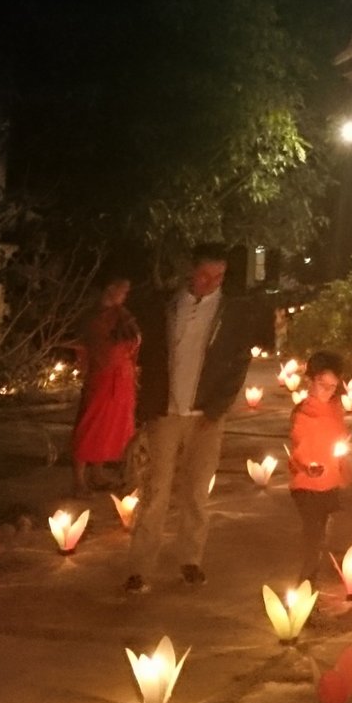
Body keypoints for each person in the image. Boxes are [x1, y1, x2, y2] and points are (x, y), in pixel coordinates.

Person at [124, 244, 254, 593]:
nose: (211, 283)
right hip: (166, 411)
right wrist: (145, 406)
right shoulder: (168, 307)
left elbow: (239, 362)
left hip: (205, 416)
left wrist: (217, 409)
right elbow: (148, 357)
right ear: (190, 271)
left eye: (220, 276)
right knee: (155, 490)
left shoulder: (230, 313)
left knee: (196, 492)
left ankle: (191, 559)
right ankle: (140, 567)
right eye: (205, 275)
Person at [72, 275, 141, 495]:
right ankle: (79, 479)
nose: (125, 295)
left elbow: (134, 338)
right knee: (91, 423)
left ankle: (98, 471)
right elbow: (91, 346)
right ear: (110, 287)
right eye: (122, 289)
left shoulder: (122, 315)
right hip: (101, 377)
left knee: (112, 425)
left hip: (122, 377)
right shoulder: (94, 316)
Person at [287, 351, 351, 585]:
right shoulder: (303, 413)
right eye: (323, 385)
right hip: (306, 486)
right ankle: (306, 587)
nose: (328, 391)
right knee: (313, 537)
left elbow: (340, 437)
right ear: (310, 381)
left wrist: (342, 458)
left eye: (333, 387)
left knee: (321, 535)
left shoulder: (334, 409)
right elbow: (296, 450)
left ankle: (311, 581)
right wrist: (307, 466)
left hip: (329, 483)